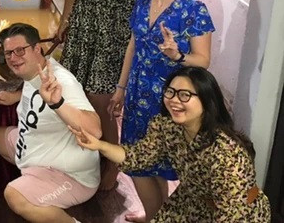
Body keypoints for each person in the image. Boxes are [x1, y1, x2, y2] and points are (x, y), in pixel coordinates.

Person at [57, 0, 188, 190]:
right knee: (76, 101)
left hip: (112, 41)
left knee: (101, 105)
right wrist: (63, 26)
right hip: (81, 37)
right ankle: (82, 161)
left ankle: (111, 166)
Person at [72, 67, 271, 222]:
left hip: (236, 213)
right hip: (191, 201)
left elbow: (232, 214)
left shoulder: (228, 155)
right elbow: (137, 156)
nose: (174, 100)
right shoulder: (168, 127)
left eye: (185, 95)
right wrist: (99, 145)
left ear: (207, 100)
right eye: (170, 92)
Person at [109, 0, 214, 222]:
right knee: (140, 161)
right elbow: (132, 46)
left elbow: (202, 60)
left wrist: (177, 54)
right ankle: (157, 215)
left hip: (171, 100)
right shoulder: (142, 3)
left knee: (158, 163)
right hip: (137, 94)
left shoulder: (194, 9)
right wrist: (120, 88)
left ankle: (158, 217)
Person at [0, 23, 101, 223]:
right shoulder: (33, 71)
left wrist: (57, 103)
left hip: (71, 175)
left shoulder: (61, 82)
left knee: (14, 196)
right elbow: (35, 87)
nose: (13, 58)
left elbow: (94, 130)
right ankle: (32, 176)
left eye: (20, 50)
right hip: (35, 148)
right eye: (9, 52)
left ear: (37, 48)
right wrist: (16, 96)